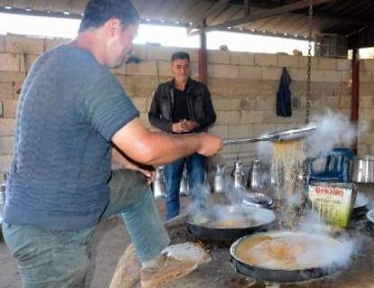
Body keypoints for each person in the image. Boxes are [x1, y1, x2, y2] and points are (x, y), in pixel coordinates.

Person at [1, 0, 223, 287]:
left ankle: (155, 261)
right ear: (113, 27)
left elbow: (83, 129)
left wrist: (127, 160)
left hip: (66, 197)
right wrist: (199, 141)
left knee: (134, 187)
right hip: (50, 228)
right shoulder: (91, 75)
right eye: (131, 37)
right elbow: (147, 147)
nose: (132, 48)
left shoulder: (52, 60)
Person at [148, 51, 216, 220]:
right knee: (172, 186)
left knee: (198, 185)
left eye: (186, 66)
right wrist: (171, 126)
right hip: (173, 143)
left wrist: (195, 124)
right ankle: (172, 223)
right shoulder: (162, 90)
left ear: (189, 67)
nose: (182, 70)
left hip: (195, 143)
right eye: (178, 67)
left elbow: (211, 116)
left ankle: (200, 222)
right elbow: (152, 117)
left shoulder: (200, 89)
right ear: (172, 68)